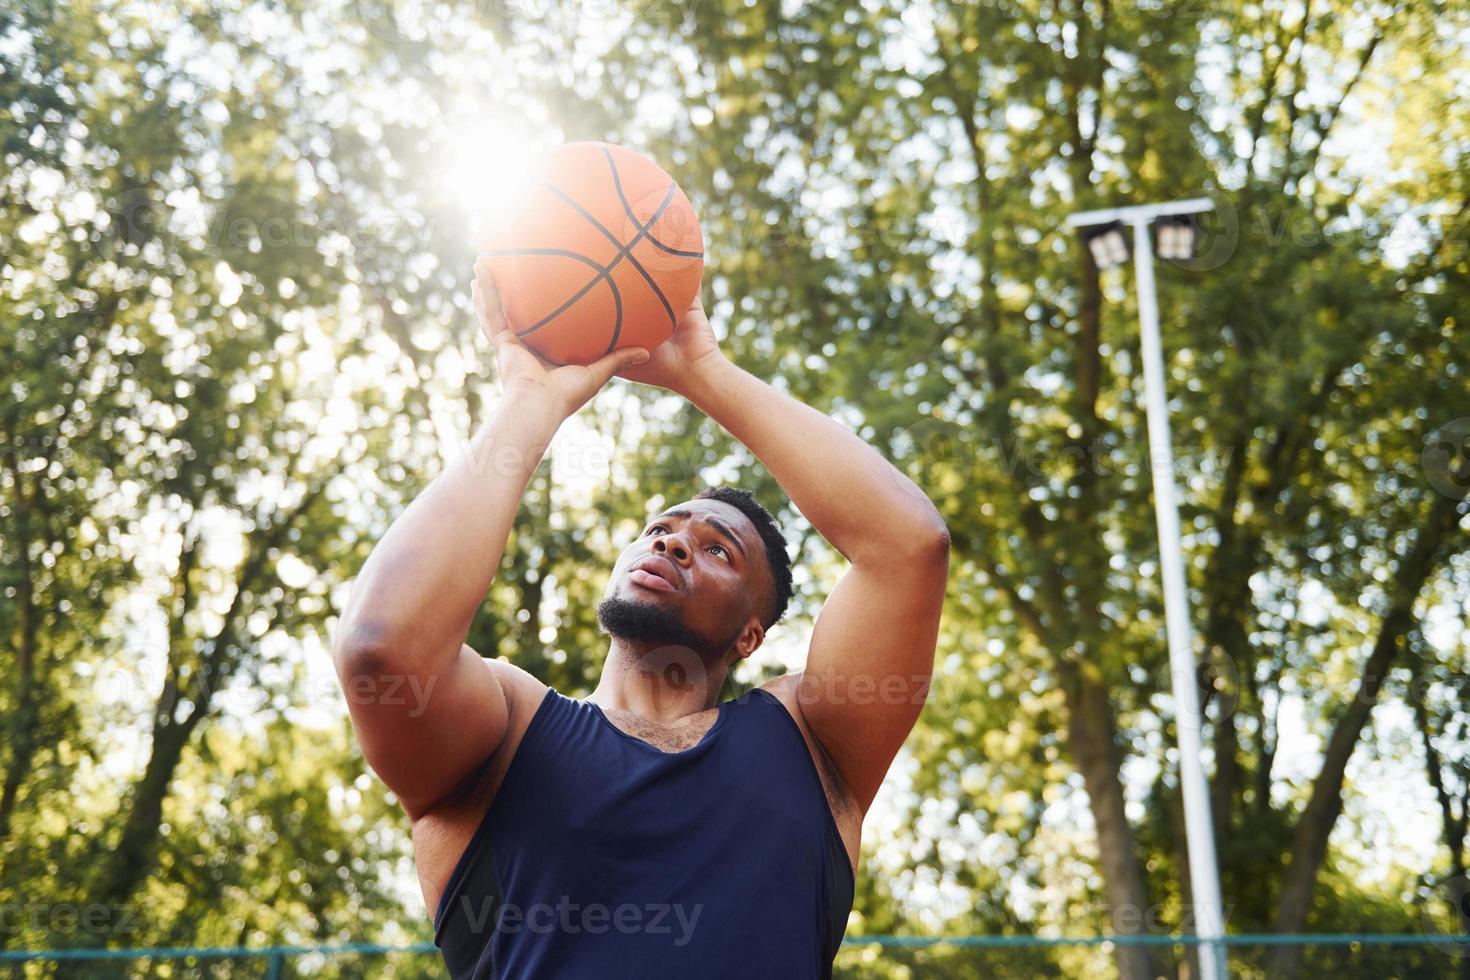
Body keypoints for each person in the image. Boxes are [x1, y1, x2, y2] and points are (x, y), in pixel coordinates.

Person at [331, 263, 950, 979]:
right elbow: (382, 648)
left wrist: (703, 372)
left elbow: (909, 548)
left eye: (719, 550)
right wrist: (531, 399)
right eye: (661, 528)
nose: (674, 540)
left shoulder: (812, 743)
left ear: (751, 635)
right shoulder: (505, 729)